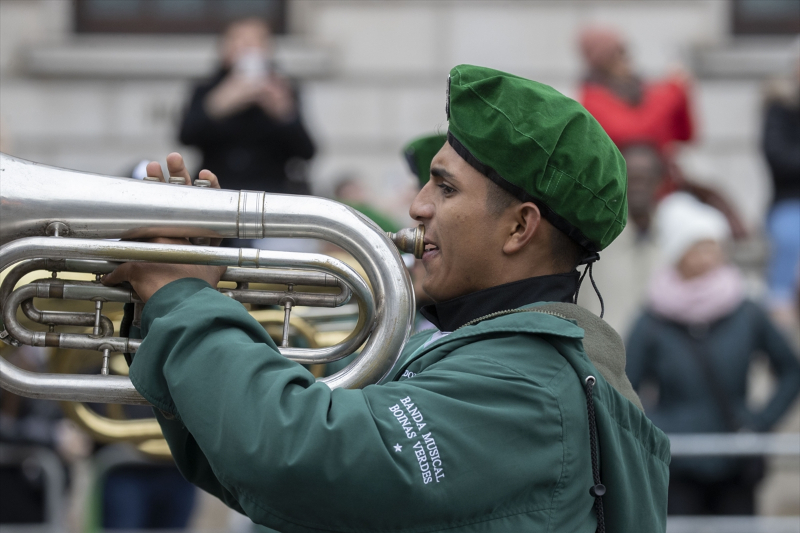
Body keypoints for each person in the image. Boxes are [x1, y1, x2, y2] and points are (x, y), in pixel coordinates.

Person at [102, 65, 670, 532]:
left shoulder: (525, 388)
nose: (417, 206)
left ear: (519, 229)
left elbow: (301, 458)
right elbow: (251, 473)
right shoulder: (514, 366)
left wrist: (184, 295)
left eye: (444, 187)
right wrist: (164, 301)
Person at [626, 192, 800, 516]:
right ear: (678, 253)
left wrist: (760, 423)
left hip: (736, 464)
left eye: (714, 245)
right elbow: (624, 386)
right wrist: (657, 430)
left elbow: (791, 371)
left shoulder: (747, 311)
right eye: (699, 246)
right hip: (676, 467)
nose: (710, 255)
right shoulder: (652, 319)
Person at [178, 18, 315, 195]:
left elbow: (306, 151)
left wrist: (283, 113)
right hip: (217, 189)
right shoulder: (207, 89)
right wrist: (217, 105)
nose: (246, 49)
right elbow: (186, 136)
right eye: (238, 41)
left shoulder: (284, 89)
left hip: (270, 193)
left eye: (254, 42)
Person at [762, 68, 800, 327]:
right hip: (790, 199)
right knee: (789, 236)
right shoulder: (780, 110)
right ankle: (780, 301)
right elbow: (779, 158)